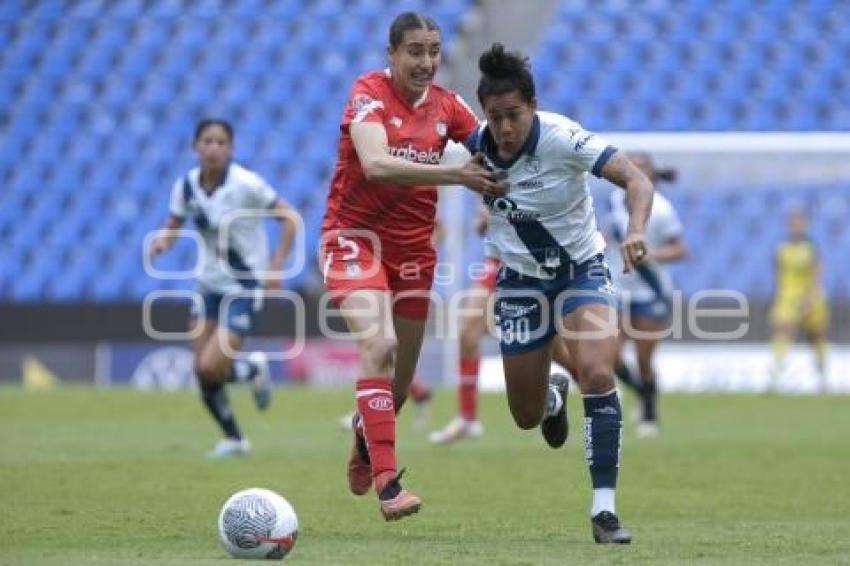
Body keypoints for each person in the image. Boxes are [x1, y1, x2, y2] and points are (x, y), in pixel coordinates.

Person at [320, 12, 504, 521]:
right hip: (353, 240)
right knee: (379, 345)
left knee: (397, 387)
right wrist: (456, 175)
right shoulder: (368, 94)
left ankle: (364, 439)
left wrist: (493, 194)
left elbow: (493, 151)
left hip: (415, 255)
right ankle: (388, 485)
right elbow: (376, 165)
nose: (425, 62)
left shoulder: (449, 106)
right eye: (414, 52)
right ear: (392, 54)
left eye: (433, 51)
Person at [468, 44, 654, 543]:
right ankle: (552, 398)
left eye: (514, 116)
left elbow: (636, 181)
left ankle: (605, 511)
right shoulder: (472, 145)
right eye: (495, 117)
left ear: (533, 106)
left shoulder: (565, 139)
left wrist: (636, 230)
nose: (505, 129)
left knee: (597, 371)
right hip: (520, 283)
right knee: (525, 417)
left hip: (581, 271)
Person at [149, 119, 297, 459]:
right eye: (207, 141)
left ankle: (243, 398)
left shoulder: (246, 184)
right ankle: (235, 433)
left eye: (220, 142)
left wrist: (276, 266)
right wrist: (164, 240)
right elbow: (174, 223)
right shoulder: (185, 186)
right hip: (208, 286)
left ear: (230, 149)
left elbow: (289, 217)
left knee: (207, 367)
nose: (213, 147)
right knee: (204, 371)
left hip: (244, 286)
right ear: (195, 147)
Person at [429, 205, 576, 444]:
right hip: (497, 257)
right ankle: (467, 419)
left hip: (530, 256)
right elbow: (482, 220)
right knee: (467, 333)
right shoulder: (490, 169)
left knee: (554, 347)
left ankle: (594, 388)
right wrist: (485, 217)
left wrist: (505, 215)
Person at [606, 152, 686, 437]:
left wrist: (652, 255)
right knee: (609, 355)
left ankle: (650, 414)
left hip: (650, 290)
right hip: (616, 288)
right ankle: (642, 393)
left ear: (651, 178)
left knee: (644, 359)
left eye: (641, 170)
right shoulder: (612, 203)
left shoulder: (662, 211)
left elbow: (680, 249)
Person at [769, 209, 829, 392]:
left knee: (815, 336)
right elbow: (778, 273)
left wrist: (810, 298)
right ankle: (776, 374)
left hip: (810, 296)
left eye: (799, 223)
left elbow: (818, 274)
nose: (796, 227)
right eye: (793, 224)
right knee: (782, 329)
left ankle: (822, 377)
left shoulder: (812, 248)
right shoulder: (781, 249)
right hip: (787, 296)